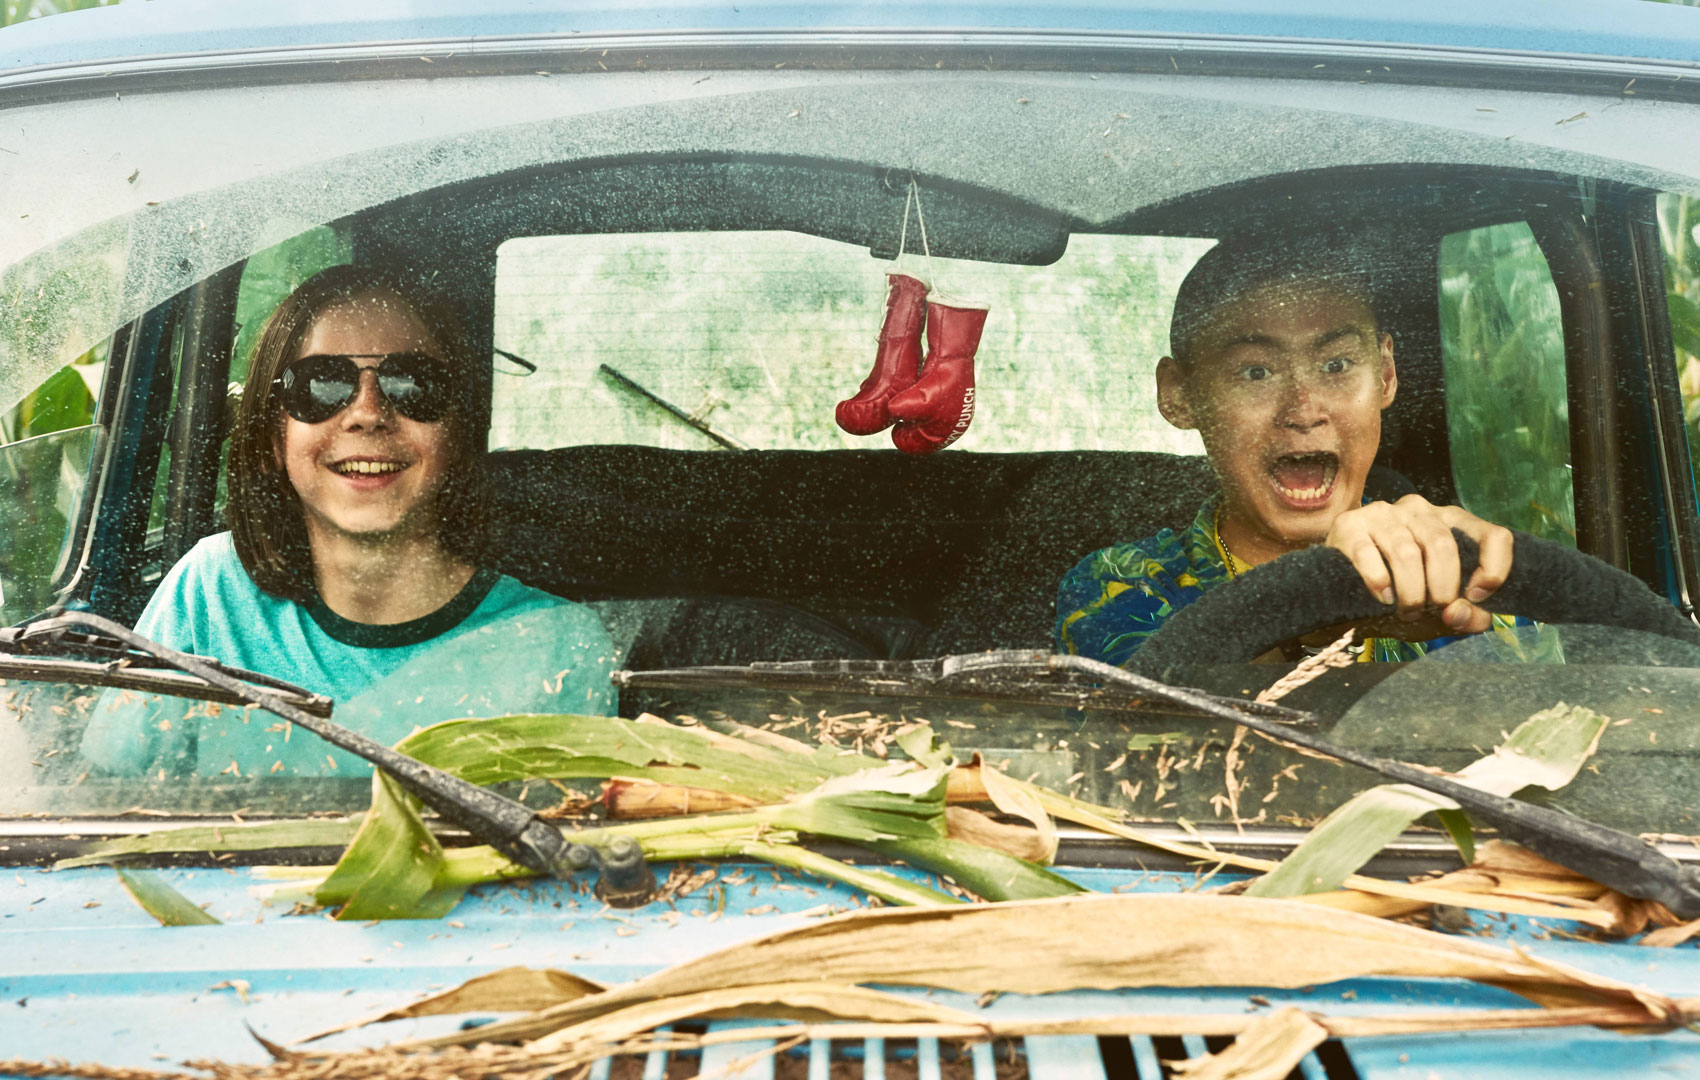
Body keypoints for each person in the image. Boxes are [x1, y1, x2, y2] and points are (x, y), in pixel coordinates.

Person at [81, 265, 617, 777]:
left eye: (412, 384)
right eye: (320, 385)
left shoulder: (555, 646)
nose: (367, 411)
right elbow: (104, 808)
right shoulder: (207, 597)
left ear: (457, 433)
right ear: (273, 436)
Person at [1056, 236, 1529, 666]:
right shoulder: (1121, 586)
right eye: (1256, 373)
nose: (1304, 411)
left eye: (1336, 365)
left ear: (1384, 374)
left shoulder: (1454, 566)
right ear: (1181, 395)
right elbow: (1144, 736)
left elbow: (1547, 743)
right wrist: (1318, 609)